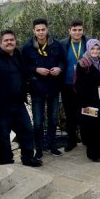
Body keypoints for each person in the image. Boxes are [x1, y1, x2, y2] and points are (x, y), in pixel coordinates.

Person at [0, 30, 42, 167]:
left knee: (27, 131)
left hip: (17, 104)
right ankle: (7, 163)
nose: (9, 42)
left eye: (12, 39)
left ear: (15, 41)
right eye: (6, 40)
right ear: (0, 43)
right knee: (2, 137)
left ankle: (28, 158)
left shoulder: (18, 56)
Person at [21, 18, 65, 159]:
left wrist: (59, 68)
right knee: (38, 121)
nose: (41, 32)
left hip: (53, 87)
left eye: (43, 29)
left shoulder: (56, 44)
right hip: (37, 89)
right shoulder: (27, 47)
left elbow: (63, 61)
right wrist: (36, 69)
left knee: (52, 119)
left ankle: (52, 146)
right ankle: (39, 148)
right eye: (38, 30)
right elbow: (24, 67)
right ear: (34, 31)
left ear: (47, 29)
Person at [75, 39, 100, 162]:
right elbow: (79, 86)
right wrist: (91, 96)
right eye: (93, 49)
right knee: (92, 128)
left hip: (99, 100)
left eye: (97, 49)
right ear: (88, 49)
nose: (95, 51)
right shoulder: (83, 64)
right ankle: (94, 154)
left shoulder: (99, 62)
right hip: (88, 102)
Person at [59, 19, 88, 152]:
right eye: (74, 30)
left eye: (79, 30)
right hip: (67, 85)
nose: (77, 32)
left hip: (84, 86)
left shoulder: (88, 44)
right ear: (69, 31)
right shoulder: (62, 45)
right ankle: (71, 141)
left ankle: (86, 139)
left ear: (83, 30)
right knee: (70, 115)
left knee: (86, 112)